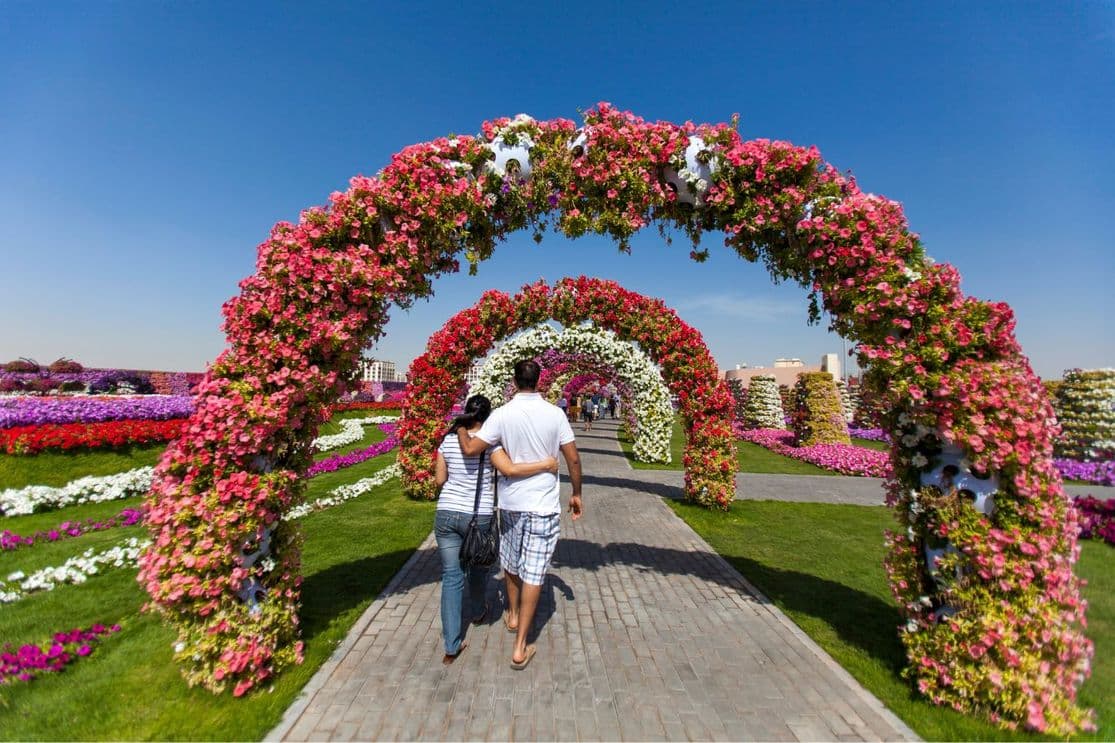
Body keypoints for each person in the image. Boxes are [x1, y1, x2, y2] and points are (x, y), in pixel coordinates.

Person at [458, 360, 583, 670]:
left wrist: (461, 426)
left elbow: (473, 449)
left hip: (511, 503)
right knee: (534, 571)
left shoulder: (502, 414)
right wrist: (577, 493)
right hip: (542, 505)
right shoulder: (555, 414)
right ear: (539, 381)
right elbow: (573, 459)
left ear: (514, 381)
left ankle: (513, 614)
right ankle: (520, 646)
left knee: (512, 563)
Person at [434, 395, 558, 665]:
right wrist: (547, 464)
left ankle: (451, 644)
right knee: (478, 567)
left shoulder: (448, 439)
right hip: (477, 516)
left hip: (446, 513)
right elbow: (510, 470)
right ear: (489, 417)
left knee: (451, 576)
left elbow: (440, 479)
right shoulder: (491, 445)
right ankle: (478, 611)